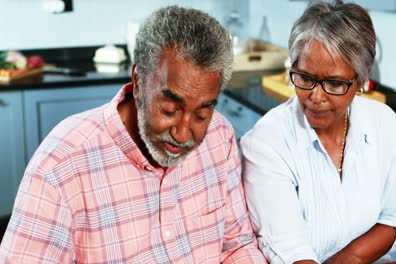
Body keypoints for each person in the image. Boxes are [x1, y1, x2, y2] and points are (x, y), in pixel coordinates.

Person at [0, 6, 266, 264]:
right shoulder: (61, 166)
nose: (184, 134)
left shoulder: (220, 136)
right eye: (169, 109)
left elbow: (236, 245)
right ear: (138, 82)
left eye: (201, 114)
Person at [241, 1, 396, 264]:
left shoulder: (385, 124)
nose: (316, 96)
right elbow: (289, 250)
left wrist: (352, 257)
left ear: (362, 77)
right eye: (304, 78)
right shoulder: (267, 142)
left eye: (335, 83)